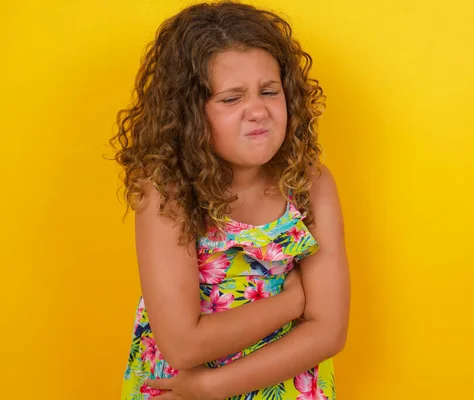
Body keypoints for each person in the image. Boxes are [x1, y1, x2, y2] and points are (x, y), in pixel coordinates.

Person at [110, 1, 350, 399]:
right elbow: (184, 344)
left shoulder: (309, 184)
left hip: (273, 386)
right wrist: (292, 303)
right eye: (230, 99)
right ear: (188, 114)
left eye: (269, 91)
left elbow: (330, 330)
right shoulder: (168, 193)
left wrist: (212, 385)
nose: (257, 110)